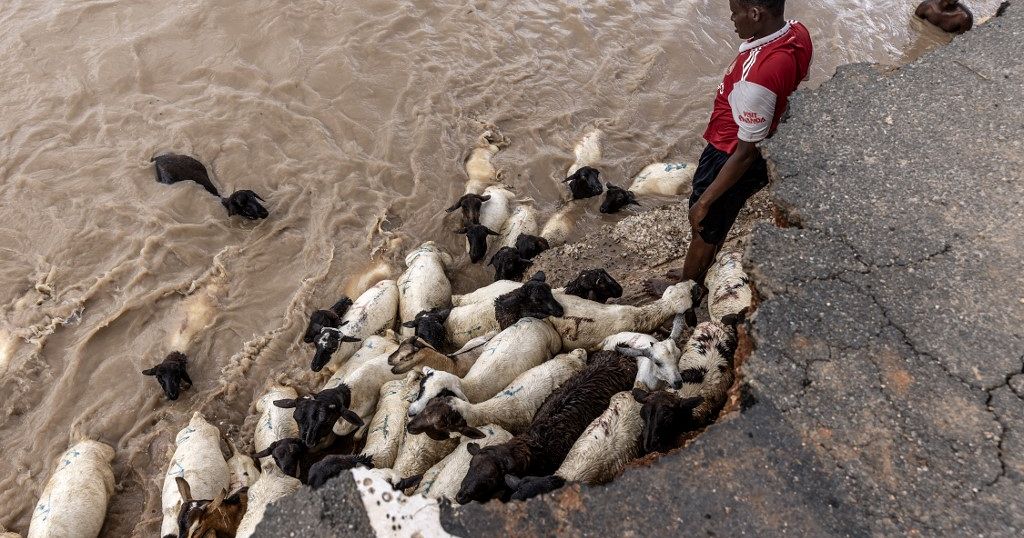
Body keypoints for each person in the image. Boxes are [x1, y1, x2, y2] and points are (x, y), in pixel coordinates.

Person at [644, 0, 813, 297]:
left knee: (705, 222)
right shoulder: (797, 33)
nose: (732, 18)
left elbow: (745, 153)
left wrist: (705, 202)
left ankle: (686, 287)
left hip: (730, 152)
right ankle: (698, 267)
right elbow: (797, 83)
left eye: (735, 12)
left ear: (755, 14)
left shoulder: (757, 77)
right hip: (760, 139)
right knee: (719, 219)